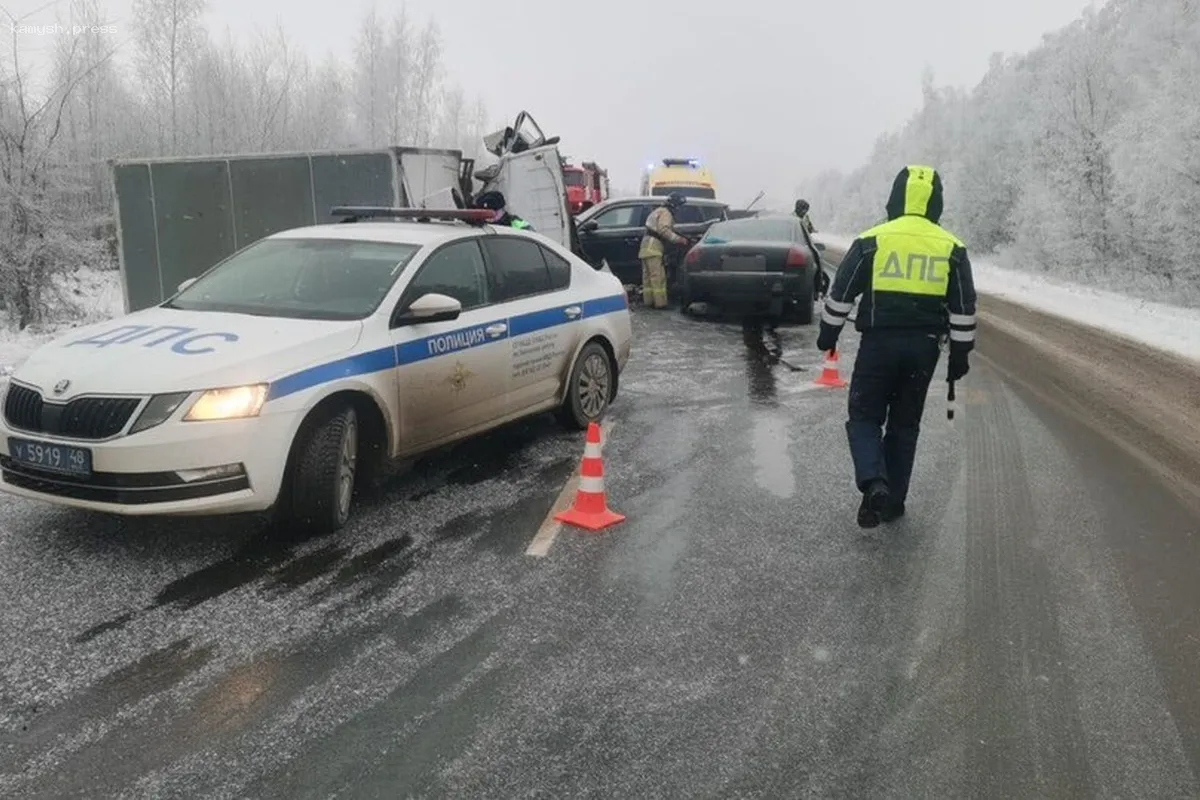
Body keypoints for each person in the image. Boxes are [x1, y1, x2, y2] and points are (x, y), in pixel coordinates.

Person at [816, 165, 977, 528]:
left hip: (879, 344)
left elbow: (842, 291)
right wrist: (960, 355)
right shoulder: (952, 247)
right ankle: (893, 501)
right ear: (936, 202)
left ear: (894, 196)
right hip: (924, 349)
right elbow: (964, 308)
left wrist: (829, 332)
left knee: (864, 416)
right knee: (905, 426)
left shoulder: (872, 240)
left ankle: (874, 482)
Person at [638, 192, 689, 309]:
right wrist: (679, 239)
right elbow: (663, 230)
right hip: (654, 247)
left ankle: (649, 302)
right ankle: (660, 304)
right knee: (658, 277)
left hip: (645, 245)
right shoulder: (666, 213)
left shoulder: (657, 211)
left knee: (647, 278)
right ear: (675, 205)